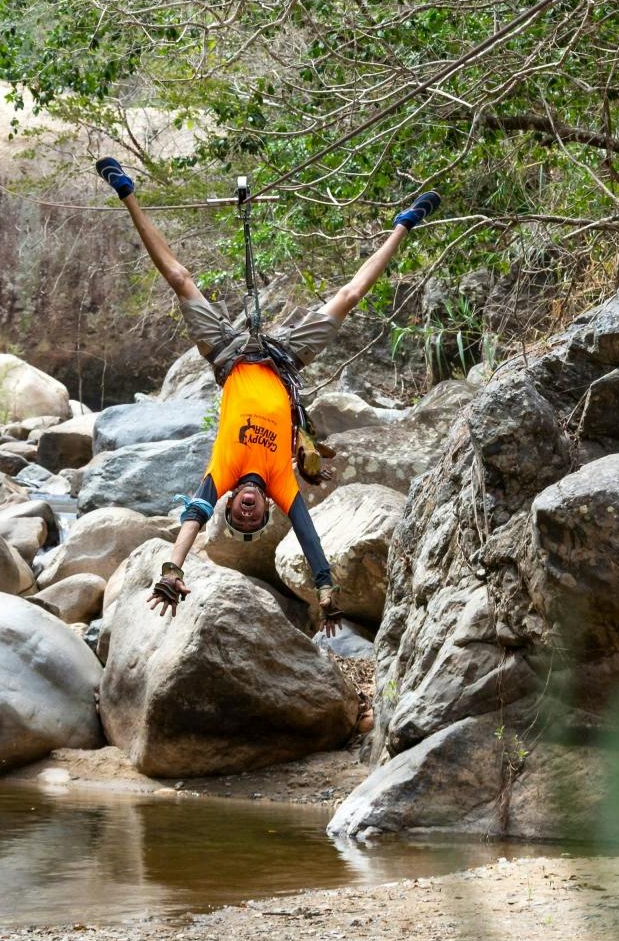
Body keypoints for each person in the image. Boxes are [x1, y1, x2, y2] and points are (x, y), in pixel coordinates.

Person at [95, 156, 440, 621]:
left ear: (232, 502)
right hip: (284, 360)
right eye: (255, 518)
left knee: (179, 280)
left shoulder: (223, 470)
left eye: (240, 514)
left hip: (228, 353)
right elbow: (309, 536)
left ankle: (125, 192)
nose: (249, 510)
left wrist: (172, 568)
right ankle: (405, 225)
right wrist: (325, 589)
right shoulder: (280, 482)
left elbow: (193, 519)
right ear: (262, 511)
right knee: (348, 298)